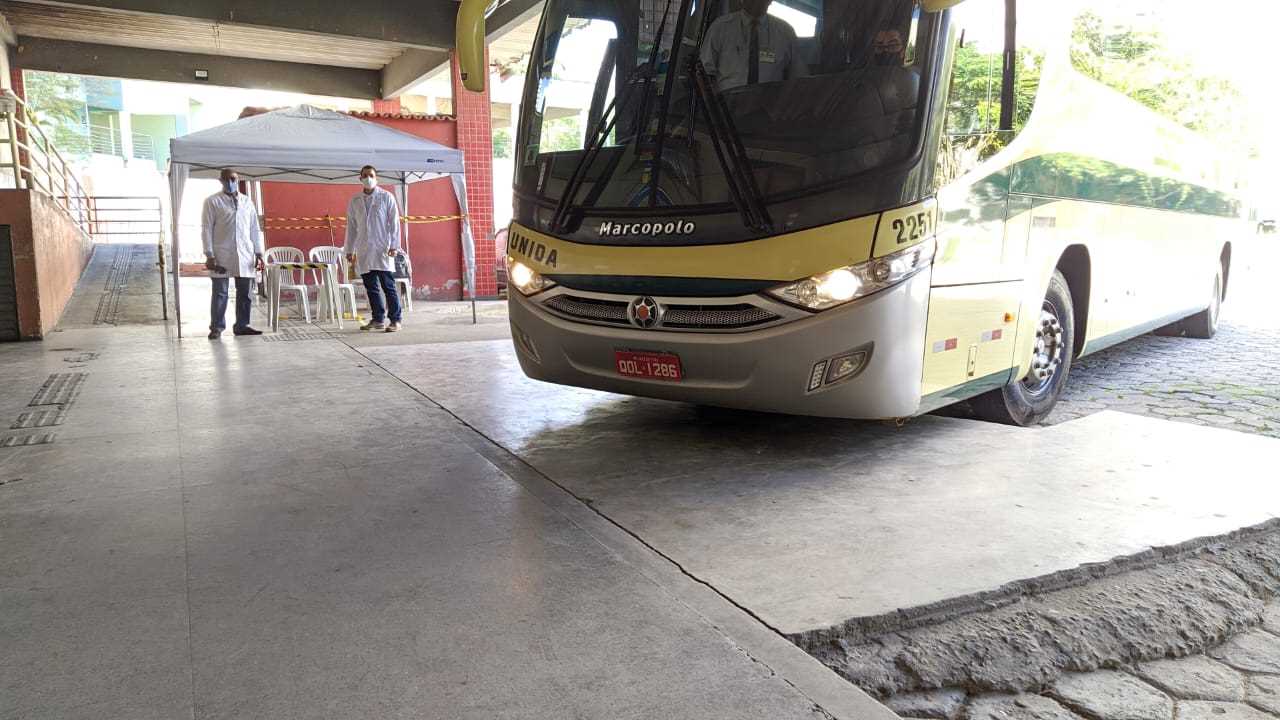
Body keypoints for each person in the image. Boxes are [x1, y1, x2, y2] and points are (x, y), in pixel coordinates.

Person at [202, 168, 264, 339]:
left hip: (245, 253)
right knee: (220, 293)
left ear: (238, 180)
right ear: (220, 181)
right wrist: (209, 255)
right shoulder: (212, 202)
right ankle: (217, 327)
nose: (230, 182)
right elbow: (206, 229)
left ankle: (242, 325)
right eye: (226, 179)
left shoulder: (247, 202)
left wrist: (259, 253)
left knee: (245, 292)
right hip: (221, 253)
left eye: (233, 179)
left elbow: (254, 228)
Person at [344, 165, 404, 332]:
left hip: (382, 249)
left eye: (371, 175)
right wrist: (349, 249)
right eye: (365, 175)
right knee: (371, 287)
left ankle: (395, 319)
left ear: (376, 178)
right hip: (363, 250)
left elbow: (394, 224)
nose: (368, 178)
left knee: (388, 286)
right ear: (360, 178)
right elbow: (351, 227)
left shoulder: (386, 197)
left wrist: (394, 246)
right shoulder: (355, 201)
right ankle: (378, 319)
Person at [699, 0, 799, 92]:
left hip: (770, 108)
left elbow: (796, 77)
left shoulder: (785, 33)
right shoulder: (720, 28)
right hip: (726, 106)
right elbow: (704, 74)